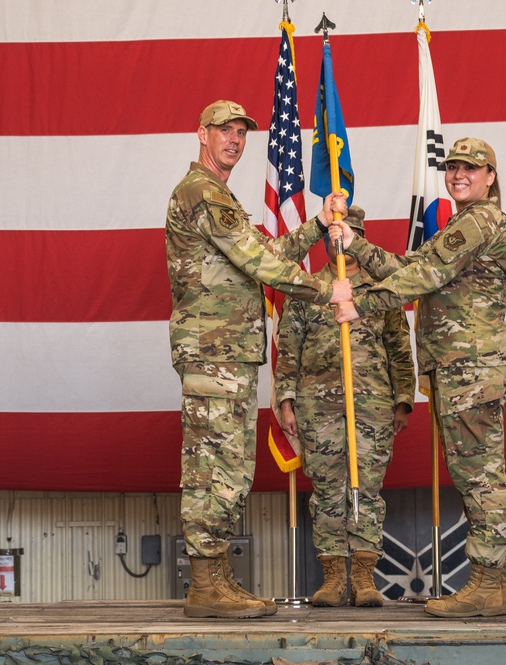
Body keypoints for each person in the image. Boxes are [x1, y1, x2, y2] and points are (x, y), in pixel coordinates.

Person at [165, 99, 352, 619]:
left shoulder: (217, 194)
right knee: (213, 467)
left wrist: (317, 225)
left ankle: (216, 576)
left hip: (228, 353)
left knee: (229, 465)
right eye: (224, 130)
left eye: (241, 132)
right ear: (201, 134)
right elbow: (259, 260)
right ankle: (205, 584)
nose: (234, 139)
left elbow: (258, 255)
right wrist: (329, 289)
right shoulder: (202, 192)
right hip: (214, 351)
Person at [332, 138, 506, 618]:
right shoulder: (462, 222)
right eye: (453, 167)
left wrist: (360, 303)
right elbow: (412, 267)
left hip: (471, 365)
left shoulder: (480, 219)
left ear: (490, 176)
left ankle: (488, 582)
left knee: (481, 476)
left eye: (471, 168)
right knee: (471, 473)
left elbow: (425, 278)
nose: (459, 174)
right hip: (459, 366)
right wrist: (357, 247)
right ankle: (487, 584)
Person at [274, 206, 415, 608]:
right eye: (335, 232)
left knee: (366, 488)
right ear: (326, 238)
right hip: (318, 407)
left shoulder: (380, 290)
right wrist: (286, 401)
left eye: (349, 232)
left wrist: (403, 400)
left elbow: (399, 349)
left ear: (360, 235)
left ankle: (365, 578)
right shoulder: (306, 288)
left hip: (372, 406)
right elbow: (288, 349)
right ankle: (334, 578)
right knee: (327, 491)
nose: (341, 240)